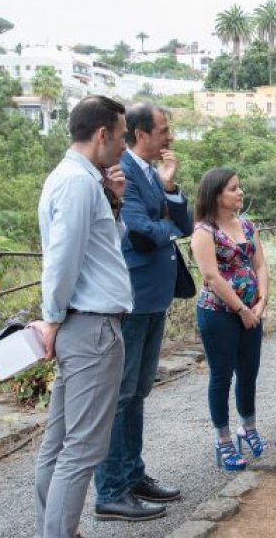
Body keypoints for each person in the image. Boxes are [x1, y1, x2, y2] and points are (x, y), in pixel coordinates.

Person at [29, 95, 135, 537]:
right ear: (102, 134)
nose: (125, 145)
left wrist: (115, 202)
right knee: (82, 448)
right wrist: (51, 318)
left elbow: (99, 248)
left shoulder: (78, 180)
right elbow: (63, 258)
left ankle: (53, 529)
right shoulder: (77, 183)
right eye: (123, 135)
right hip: (91, 326)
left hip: (82, 323)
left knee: (60, 443)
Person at [93, 103, 192, 520]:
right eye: (163, 130)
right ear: (139, 134)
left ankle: (133, 474)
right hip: (132, 296)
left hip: (155, 295)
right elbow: (140, 231)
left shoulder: (152, 173)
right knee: (121, 395)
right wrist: (168, 227)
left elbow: (185, 224)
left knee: (138, 392)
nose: (169, 137)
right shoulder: (125, 173)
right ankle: (111, 490)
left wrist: (169, 188)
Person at [190, 168, 270, 470]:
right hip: (218, 314)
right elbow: (211, 277)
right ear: (216, 195)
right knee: (222, 374)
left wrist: (261, 301)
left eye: (240, 187)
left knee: (249, 372)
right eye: (233, 188)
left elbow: (260, 265)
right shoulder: (204, 231)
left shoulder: (247, 225)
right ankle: (223, 440)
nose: (240, 192)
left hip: (252, 311)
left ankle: (247, 427)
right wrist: (242, 310)